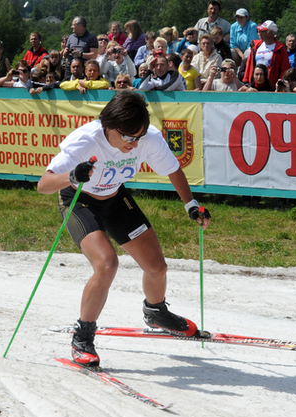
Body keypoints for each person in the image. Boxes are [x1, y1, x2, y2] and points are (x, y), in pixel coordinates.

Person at [36, 91, 210, 366]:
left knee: (157, 267)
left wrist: (191, 205)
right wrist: (71, 176)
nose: (134, 144)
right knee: (107, 264)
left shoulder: (148, 138)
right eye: (129, 137)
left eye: (139, 137)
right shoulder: (86, 140)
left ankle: (156, 312)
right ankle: (82, 336)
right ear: (110, 126)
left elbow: (173, 169)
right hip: (79, 200)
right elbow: (43, 185)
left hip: (115, 198)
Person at [242, 20, 290, 86]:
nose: (260, 33)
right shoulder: (256, 46)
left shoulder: (280, 48)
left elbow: (285, 68)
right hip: (254, 84)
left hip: (271, 86)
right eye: (260, 31)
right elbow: (249, 65)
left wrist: (281, 83)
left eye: (263, 31)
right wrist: (246, 81)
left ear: (270, 33)